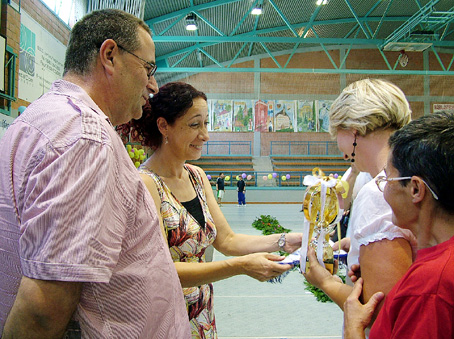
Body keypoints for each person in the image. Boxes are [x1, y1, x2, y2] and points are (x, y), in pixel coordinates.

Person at [0, 9, 190, 338]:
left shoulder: (36, 119)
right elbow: (44, 309)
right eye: (148, 68)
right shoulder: (86, 137)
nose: (153, 85)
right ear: (110, 55)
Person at [129, 81, 302, 338]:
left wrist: (283, 240)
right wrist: (240, 266)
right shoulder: (145, 184)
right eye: (194, 124)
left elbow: (227, 240)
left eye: (206, 124)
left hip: (202, 316)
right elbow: (159, 270)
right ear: (164, 126)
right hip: (164, 320)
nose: (205, 135)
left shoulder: (197, 176)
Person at [303, 78, 417, 328]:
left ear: (353, 130)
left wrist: (325, 282)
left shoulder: (378, 191)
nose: (339, 146)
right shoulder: (412, 175)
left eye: (337, 134)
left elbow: (381, 312)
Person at [344, 111, 454, 339]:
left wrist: (354, 327)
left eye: (387, 179)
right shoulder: (435, 264)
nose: (383, 190)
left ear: (415, 189)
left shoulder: (430, 287)